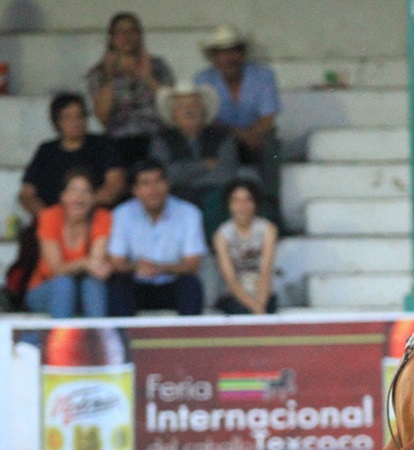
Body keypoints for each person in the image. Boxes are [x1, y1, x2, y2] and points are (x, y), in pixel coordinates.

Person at [8, 93, 125, 310]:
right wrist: (51, 215)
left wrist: (83, 204)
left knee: (93, 284)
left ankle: (97, 341)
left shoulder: (102, 145)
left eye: (80, 115)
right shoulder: (47, 151)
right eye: (68, 117)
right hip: (53, 234)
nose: (75, 121)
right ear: (57, 122)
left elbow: (115, 184)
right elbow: (26, 194)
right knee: (64, 283)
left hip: (92, 218)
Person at [194, 25, 282, 220]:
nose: (229, 58)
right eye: (223, 53)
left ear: (242, 54)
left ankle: (271, 207)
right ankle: (225, 213)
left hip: (258, 137)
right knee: (223, 145)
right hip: (222, 138)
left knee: (272, 148)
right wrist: (241, 135)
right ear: (215, 57)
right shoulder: (203, 79)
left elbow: (269, 117)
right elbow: (207, 120)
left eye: (234, 51)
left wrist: (253, 134)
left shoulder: (263, 75)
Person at [106, 160, 207, 316]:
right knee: (118, 284)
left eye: (158, 181)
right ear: (135, 190)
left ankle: (189, 337)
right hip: (137, 285)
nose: (153, 189)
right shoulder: (122, 214)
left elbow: (192, 264)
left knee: (191, 284)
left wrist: (159, 268)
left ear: (167, 184)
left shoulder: (189, 213)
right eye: (145, 183)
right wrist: (135, 267)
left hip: (172, 285)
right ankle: (123, 339)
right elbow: (117, 261)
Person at [150, 80, 240, 238]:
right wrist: (204, 165)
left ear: (204, 111)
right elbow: (165, 176)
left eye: (194, 105)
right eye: (181, 106)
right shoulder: (161, 140)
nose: (189, 110)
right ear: (173, 114)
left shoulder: (223, 137)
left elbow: (225, 176)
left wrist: (184, 174)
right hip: (176, 197)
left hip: (214, 197)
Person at [86, 12, 175, 167]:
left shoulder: (157, 65)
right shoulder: (100, 73)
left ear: (139, 34)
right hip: (119, 140)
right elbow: (103, 118)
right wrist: (110, 77)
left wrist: (148, 77)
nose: (126, 36)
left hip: (155, 136)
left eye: (132, 31)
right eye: (120, 31)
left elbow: (171, 108)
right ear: (112, 37)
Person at [25, 170, 113, 319]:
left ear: (93, 198)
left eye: (86, 191)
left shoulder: (102, 217)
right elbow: (57, 269)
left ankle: (99, 337)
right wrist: (85, 263)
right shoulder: (49, 216)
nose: (79, 196)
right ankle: (61, 340)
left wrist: (88, 265)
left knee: (93, 284)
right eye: (73, 190)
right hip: (45, 289)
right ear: (63, 196)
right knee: (64, 283)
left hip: (85, 291)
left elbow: (96, 267)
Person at [213, 180, 279, 315]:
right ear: (229, 205)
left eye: (247, 200)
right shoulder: (221, 235)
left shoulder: (268, 229)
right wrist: (255, 307)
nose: (242, 206)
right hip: (233, 295)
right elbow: (230, 280)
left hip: (262, 293)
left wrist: (260, 304)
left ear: (255, 203)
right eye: (236, 201)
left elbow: (265, 272)